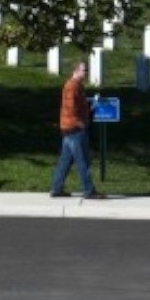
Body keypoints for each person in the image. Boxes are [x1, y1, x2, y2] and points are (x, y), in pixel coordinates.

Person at [51, 60, 105, 200]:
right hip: (75, 129)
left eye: (87, 70)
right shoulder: (72, 86)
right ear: (75, 71)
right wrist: (81, 124)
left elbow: (78, 107)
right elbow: (70, 108)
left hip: (69, 129)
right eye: (84, 70)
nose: (86, 72)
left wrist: (90, 107)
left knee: (65, 162)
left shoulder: (77, 86)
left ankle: (56, 189)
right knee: (83, 162)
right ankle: (89, 191)